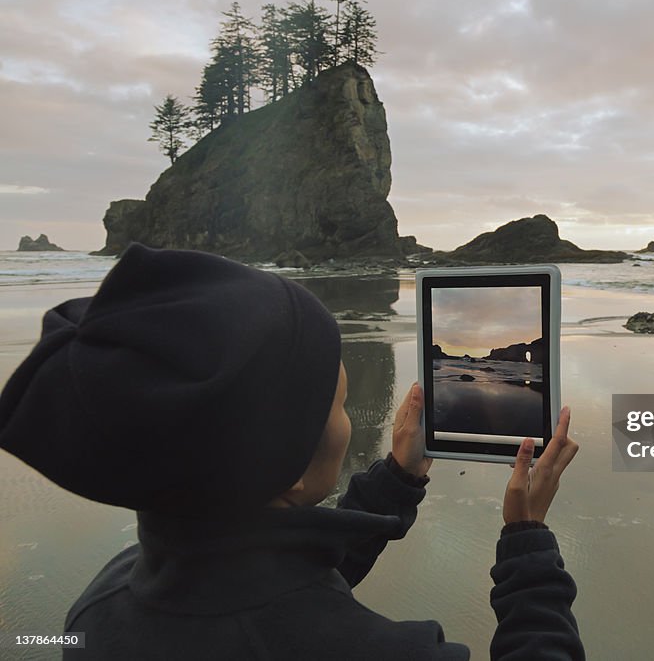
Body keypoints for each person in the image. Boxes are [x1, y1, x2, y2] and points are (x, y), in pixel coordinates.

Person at [0, 243, 584, 660]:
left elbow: (269, 582)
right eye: (339, 405)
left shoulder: (101, 604)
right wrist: (526, 542)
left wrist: (398, 479)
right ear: (287, 467)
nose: (351, 424)